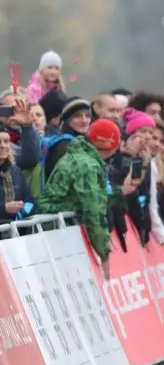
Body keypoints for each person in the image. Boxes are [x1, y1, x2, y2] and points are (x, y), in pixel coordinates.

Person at [37, 119, 121, 279]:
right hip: (56, 232)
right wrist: (103, 253)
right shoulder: (88, 165)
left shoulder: (81, 155)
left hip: (56, 226)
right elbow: (93, 210)